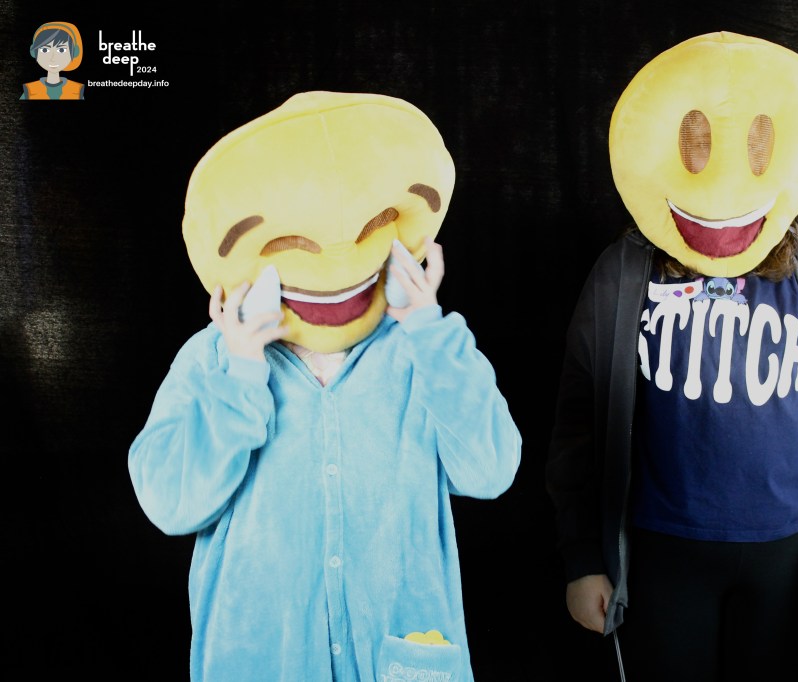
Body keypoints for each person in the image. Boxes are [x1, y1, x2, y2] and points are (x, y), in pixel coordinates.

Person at [128, 91, 521, 681]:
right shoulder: (212, 359)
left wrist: (429, 331)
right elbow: (170, 504)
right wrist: (240, 373)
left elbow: (491, 471)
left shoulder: (420, 350)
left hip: (399, 658)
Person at [546, 32, 798, 681]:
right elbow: (578, 426)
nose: (721, 175)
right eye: (697, 148)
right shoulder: (622, 277)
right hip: (660, 550)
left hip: (788, 555)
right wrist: (583, 557)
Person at [22, 22, 85, 100]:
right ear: (34, 52)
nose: (53, 58)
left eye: (61, 50)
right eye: (45, 50)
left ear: (74, 52)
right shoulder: (29, 90)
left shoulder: (77, 90)